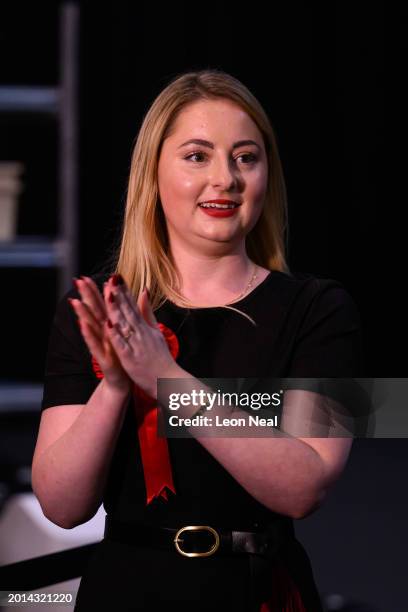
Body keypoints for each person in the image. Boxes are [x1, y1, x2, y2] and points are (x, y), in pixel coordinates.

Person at [32, 69, 363, 611]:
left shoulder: (322, 310)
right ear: (154, 174)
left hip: (258, 593)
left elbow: (306, 486)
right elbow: (62, 506)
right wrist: (116, 385)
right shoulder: (91, 313)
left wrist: (165, 378)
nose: (225, 179)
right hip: (125, 593)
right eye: (196, 156)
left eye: (245, 157)